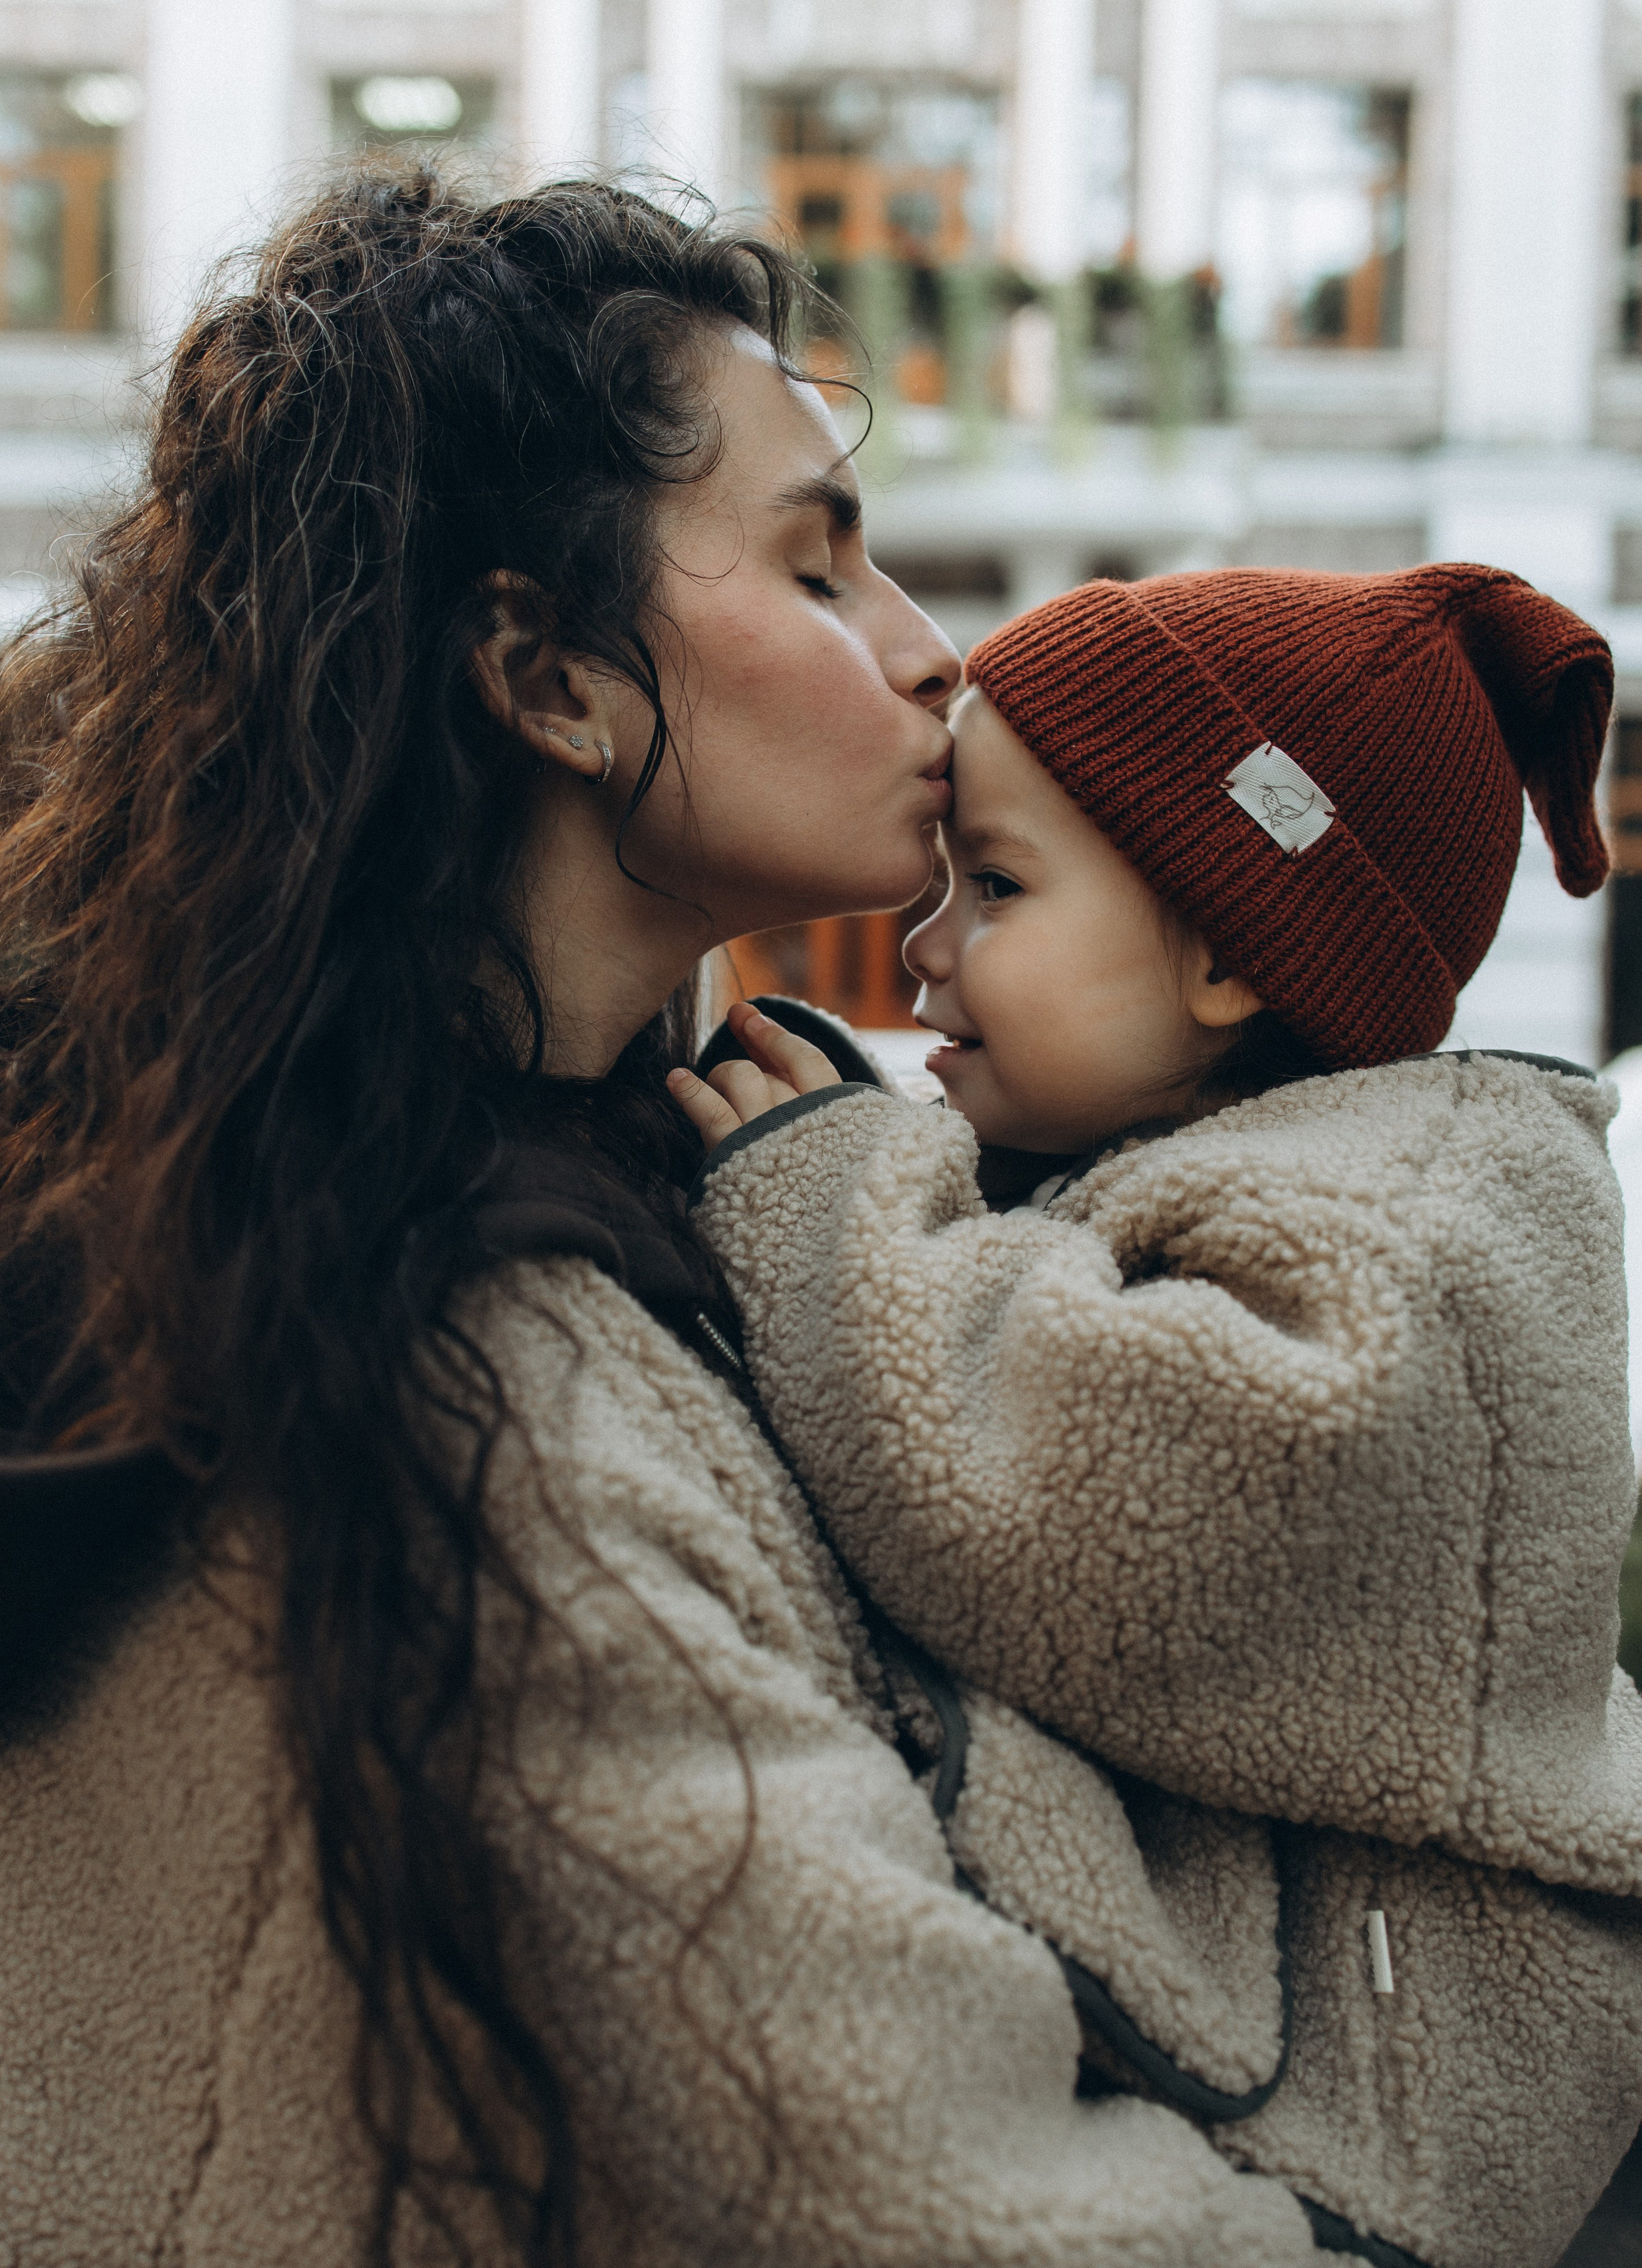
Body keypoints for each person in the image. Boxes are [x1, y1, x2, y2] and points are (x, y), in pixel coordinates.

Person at [0, 159, 1627, 2265]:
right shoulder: (466, 1380)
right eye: (823, 571)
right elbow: (936, 2183)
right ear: (553, 683)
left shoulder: (502, 1155)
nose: (936, 660)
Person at [673, 566, 1642, 2267]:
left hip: (1366, 2142)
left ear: (1218, 950)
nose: (922, 948)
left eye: (993, 886)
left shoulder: (1416, 1226)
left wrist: (828, 1198)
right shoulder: (1211, 1170)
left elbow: (1092, 1510)